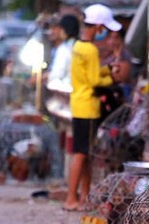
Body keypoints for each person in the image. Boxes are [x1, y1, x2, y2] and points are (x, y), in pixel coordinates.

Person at [63, 4, 121, 212]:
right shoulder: (91, 50)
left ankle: (84, 197)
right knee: (80, 153)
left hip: (79, 102)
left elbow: (90, 75)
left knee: (85, 152)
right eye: (104, 29)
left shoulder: (79, 47)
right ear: (98, 27)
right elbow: (96, 80)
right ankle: (71, 198)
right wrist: (112, 77)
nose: (105, 34)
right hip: (89, 106)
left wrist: (107, 70)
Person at [46, 14, 80, 94]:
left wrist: (45, 76)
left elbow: (57, 74)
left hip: (66, 90)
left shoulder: (64, 49)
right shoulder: (78, 45)